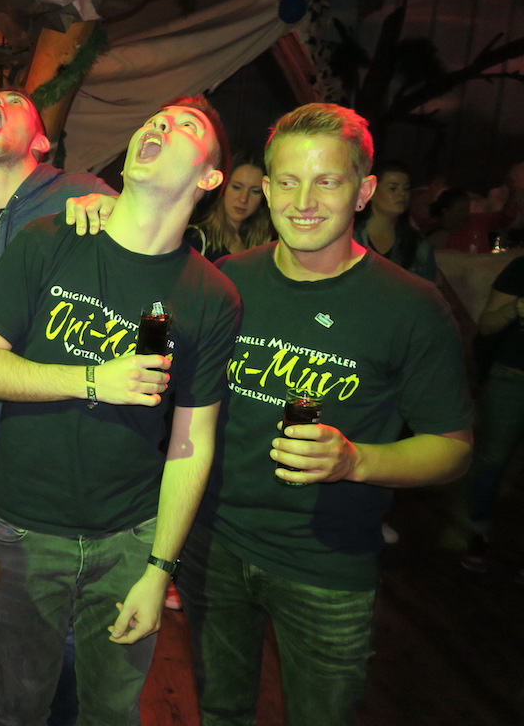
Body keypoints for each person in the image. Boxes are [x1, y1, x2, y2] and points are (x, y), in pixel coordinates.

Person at [180, 103, 472, 726]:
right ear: (267, 190)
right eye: (287, 181)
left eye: (327, 181)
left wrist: (355, 460)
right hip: (215, 544)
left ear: (363, 191)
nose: (303, 201)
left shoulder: (411, 306)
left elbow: (452, 447)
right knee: (219, 712)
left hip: (326, 567)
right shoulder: (228, 280)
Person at [0, 95, 241, 725]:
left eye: (186, 126)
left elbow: (192, 442)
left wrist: (160, 569)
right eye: (156, 117)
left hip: (130, 538)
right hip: (25, 529)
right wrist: (92, 380)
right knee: (17, 705)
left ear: (209, 178)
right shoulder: (49, 240)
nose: (159, 123)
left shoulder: (211, 295)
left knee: (112, 711)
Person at [0, 88, 117, 528]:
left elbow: (154, 244)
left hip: (46, 449)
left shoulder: (80, 193)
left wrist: (117, 207)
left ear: (41, 142)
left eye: (14, 102)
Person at [461, 255, 524, 580]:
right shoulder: (521, 268)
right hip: (512, 378)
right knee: (492, 462)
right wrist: (515, 309)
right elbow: (486, 325)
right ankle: (479, 535)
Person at [353, 160, 437, 281]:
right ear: (371, 191)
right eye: (393, 188)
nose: (402, 194)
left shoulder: (418, 246)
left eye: (406, 188)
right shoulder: (350, 237)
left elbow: (428, 288)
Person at [184, 151, 274, 262]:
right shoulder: (197, 237)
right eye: (236, 187)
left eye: (255, 191)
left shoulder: (261, 244)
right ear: (223, 187)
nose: (243, 199)